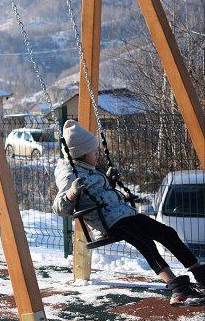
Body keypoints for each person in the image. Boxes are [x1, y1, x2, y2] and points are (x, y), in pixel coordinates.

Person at [53, 120, 205, 306]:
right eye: (93, 152)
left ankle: (200, 274)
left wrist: (110, 180)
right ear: (83, 154)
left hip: (124, 214)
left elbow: (100, 193)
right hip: (110, 222)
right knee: (145, 243)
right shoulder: (68, 174)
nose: (97, 155)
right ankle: (177, 289)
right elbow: (60, 208)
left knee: (166, 232)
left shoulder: (88, 168)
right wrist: (71, 193)